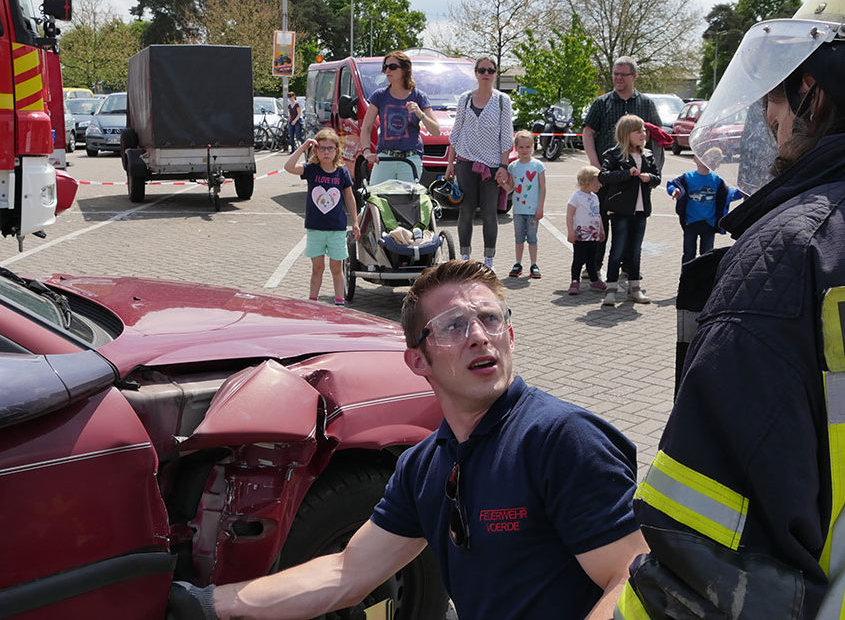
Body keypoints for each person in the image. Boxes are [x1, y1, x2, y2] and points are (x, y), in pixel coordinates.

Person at [174, 260, 647, 620]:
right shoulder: (425, 466)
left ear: (511, 335)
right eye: (453, 327)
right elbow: (347, 572)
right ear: (417, 361)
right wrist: (209, 603)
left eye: (490, 319)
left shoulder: (562, 440)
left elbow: (631, 579)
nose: (480, 338)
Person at [615, 0, 845, 619]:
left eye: (777, 90)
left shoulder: (788, 259)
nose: (768, 115)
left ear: (813, 93)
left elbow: (702, 556)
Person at [582, 57, 661, 278]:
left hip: (634, 180)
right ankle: (594, 267)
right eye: (615, 74)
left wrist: (653, 171)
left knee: (631, 223)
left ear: (634, 77)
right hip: (608, 174)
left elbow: (654, 137)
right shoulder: (602, 103)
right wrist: (595, 166)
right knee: (601, 222)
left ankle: (629, 267)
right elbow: (588, 133)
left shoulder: (645, 104)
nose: (617, 78)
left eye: (622, 74)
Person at [445, 56, 515, 270]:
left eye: (490, 70)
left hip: (492, 165)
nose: (486, 74)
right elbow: (456, 133)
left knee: (489, 212)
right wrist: (450, 163)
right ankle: (465, 258)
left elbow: (506, 136)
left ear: (495, 74)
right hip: (466, 162)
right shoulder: (465, 99)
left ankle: (489, 261)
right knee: (465, 211)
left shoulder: (503, 101)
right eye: (482, 70)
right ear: (475, 73)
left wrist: (503, 166)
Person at [284, 128, 360, 305]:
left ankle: (339, 303)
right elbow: (288, 167)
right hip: (315, 228)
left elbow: (349, 197)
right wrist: (303, 146)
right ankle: (313, 303)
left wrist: (355, 221)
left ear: (336, 151)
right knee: (317, 268)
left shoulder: (342, 173)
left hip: (337, 229)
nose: (326, 152)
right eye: (322, 148)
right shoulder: (311, 170)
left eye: (330, 148)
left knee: (336, 268)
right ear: (316, 151)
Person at [598, 114, 660, 306]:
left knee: (635, 251)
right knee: (617, 250)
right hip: (621, 210)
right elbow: (603, 176)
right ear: (626, 134)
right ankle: (611, 289)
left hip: (641, 211)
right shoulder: (614, 154)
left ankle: (635, 289)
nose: (643, 134)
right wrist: (626, 173)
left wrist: (649, 177)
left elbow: (658, 177)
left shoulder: (648, 154)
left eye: (644, 130)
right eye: (638, 131)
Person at [359, 50, 440, 185]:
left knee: (407, 201)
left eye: (392, 67)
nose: (387, 71)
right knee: (375, 199)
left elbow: (436, 131)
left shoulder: (419, 96)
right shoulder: (379, 95)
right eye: (385, 67)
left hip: (410, 158)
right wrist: (367, 152)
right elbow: (366, 128)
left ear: (405, 69)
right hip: (384, 157)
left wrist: (420, 113)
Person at [666, 146, 742, 264]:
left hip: (709, 224)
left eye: (712, 158)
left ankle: (703, 280)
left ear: (716, 163)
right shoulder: (687, 177)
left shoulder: (717, 180)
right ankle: (687, 279)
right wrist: (674, 191)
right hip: (690, 222)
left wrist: (743, 192)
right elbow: (672, 184)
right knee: (688, 253)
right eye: (703, 157)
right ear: (695, 158)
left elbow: (728, 195)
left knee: (706, 255)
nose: (707, 160)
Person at [502, 129, 546, 279]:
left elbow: (543, 187)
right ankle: (518, 263)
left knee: (532, 238)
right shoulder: (513, 167)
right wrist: (502, 185)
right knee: (519, 238)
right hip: (518, 210)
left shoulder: (538, 165)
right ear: (516, 148)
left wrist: (540, 207)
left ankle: (534, 264)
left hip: (533, 210)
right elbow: (511, 188)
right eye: (521, 147)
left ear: (533, 146)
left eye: (528, 147)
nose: (524, 150)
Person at [566, 166, 607, 295]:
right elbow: (569, 214)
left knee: (592, 259)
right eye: (597, 182)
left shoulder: (595, 197)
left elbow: (597, 214)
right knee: (578, 258)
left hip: (593, 235)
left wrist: (601, 229)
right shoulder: (576, 197)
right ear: (588, 181)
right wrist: (571, 232)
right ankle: (574, 281)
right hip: (581, 235)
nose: (600, 185)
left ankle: (594, 280)